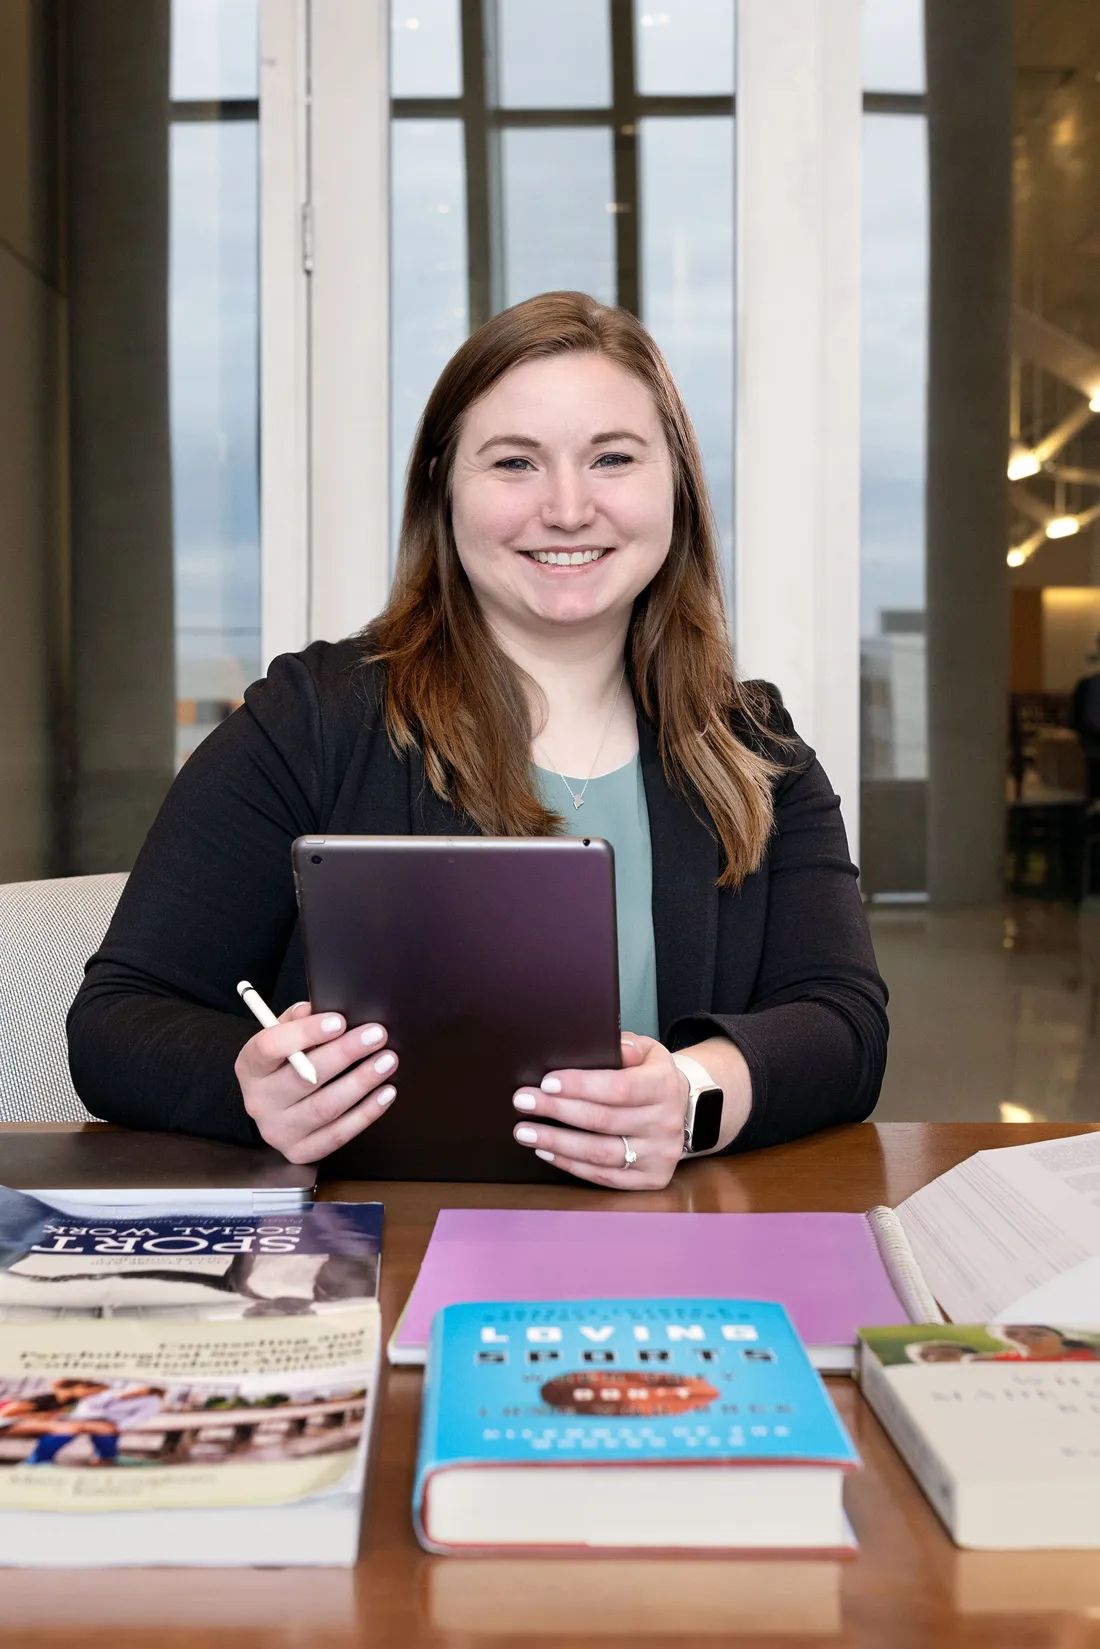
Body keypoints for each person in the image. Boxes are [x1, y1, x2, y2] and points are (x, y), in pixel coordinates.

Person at [67, 291, 888, 1190]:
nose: (568, 508)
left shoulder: (753, 748)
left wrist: (693, 1090)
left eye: (612, 457)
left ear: (677, 488)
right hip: (389, 1252)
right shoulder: (311, 719)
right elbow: (118, 1020)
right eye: (514, 463)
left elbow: (845, 1024)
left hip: (665, 1256)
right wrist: (248, 1087)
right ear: (442, 489)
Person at [24, 1383, 166, 1466]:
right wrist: (115, 1397)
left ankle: (106, 1458)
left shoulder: (151, 1401)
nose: (135, 1391)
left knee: (105, 1435)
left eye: (141, 1391)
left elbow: (141, 1416)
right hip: (82, 1417)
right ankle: (39, 1460)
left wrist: (118, 1427)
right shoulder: (112, 1394)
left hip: (109, 1422)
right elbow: (88, 1404)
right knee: (63, 1433)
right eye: (134, 1389)